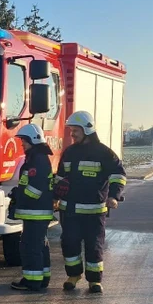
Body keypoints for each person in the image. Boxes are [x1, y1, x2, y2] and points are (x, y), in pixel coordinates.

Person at [54, 110, 127, 294]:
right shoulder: (69, 153)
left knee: (94, 247)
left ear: (87, 129)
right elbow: (59, 179)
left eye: (75, 130)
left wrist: (113, 196)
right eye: (71, 130)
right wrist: (55, 197)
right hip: (69, 211)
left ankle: (94, 281)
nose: (72, 134)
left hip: (94, 212)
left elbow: (118, 175)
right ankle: (73, 276)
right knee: (69, 244)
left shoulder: (104, 153)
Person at [9, 124, 55, 292]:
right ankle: (42, 278)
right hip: (37, 212)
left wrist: (19, 196)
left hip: (36, 211)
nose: (22, 144)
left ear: (33, 140)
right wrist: (18, 192)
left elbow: (35, 190)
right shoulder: (36, 157)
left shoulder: (37, 159)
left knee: (30, 247)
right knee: (39, 245)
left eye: (24, 141)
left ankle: (32, 281)